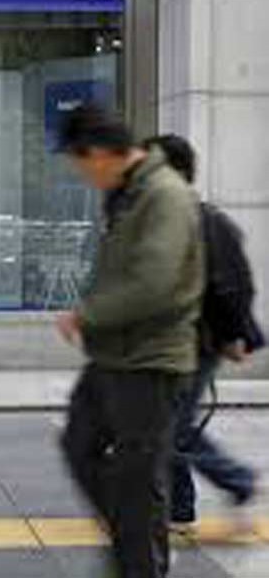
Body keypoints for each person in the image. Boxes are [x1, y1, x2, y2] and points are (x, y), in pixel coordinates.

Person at [55, 106, 204, 578]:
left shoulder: (164, 196)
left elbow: (154, 280)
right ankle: (133, 546)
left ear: (99, 153)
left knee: (137, 482)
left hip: (149, 361)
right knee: (82, 445)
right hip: (113, 356)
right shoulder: (127, 194)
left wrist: (88, 313)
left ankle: (138, 560)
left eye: (81, 165)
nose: (82, 176)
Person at [144, 134, 264, 531]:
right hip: (173, 342)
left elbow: (229, 284)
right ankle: (179, 509)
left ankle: (237, 480)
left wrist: (234, 335)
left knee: (170, 427)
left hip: (198, 343)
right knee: (171, 422)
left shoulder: (201, 219)